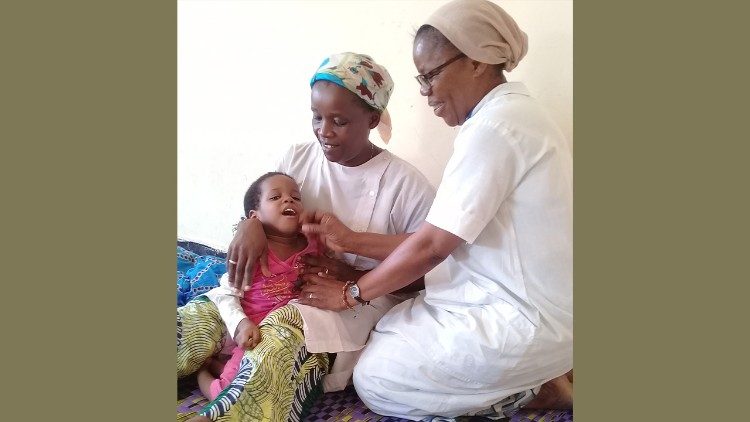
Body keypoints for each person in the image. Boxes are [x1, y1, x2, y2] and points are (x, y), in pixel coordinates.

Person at [298, 0, 573, 419]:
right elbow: (434, 238)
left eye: (431, 75)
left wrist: (351, 291)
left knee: (376, 380)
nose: (424, 92)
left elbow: (429, 246)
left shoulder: (492, 129)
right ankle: (533, 377)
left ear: (478, 61)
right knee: (386, 331)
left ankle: (529, 390)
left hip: (518, 313)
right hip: (482, 294)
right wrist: (350, 241)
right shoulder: (504, 117)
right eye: (317, 118)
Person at [177, 52, 435, 421]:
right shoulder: (298, 158)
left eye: (339, 121)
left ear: (372, 119)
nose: (323, 131)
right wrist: (246, 226)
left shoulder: (405, 185)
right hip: (269, 286)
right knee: (202, 316)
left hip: (350, 302)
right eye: (317, 117)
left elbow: (425, 274)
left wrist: (350, 278)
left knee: (278, 338)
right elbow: (261, 206)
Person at [195, 172, 321, 401]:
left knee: (259, 381)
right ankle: (202, 373)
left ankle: (218, 364)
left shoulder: (313, 245)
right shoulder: (251, 250)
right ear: (254, 216)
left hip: (279, 334)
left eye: (296, 197)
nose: (288, 200)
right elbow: (228, 291)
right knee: (229, 394)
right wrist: (242, 324)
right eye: (275, 197)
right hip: (249, 333)